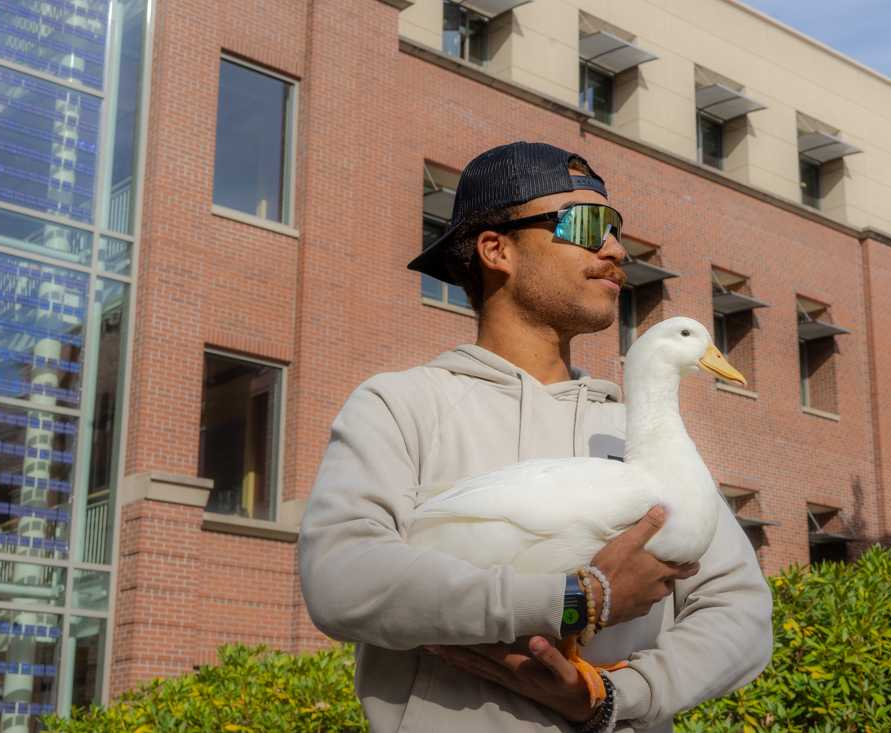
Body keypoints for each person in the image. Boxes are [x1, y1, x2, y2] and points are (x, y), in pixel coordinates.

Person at [298, 141, 772, 733]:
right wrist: (575, 598)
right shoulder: (400, 405)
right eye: (587, 224)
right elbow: (342, 578)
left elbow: (740, 609)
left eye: (616, 226)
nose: (615, 248)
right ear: (497, 249)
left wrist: (611, 696)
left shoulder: (640, 431)